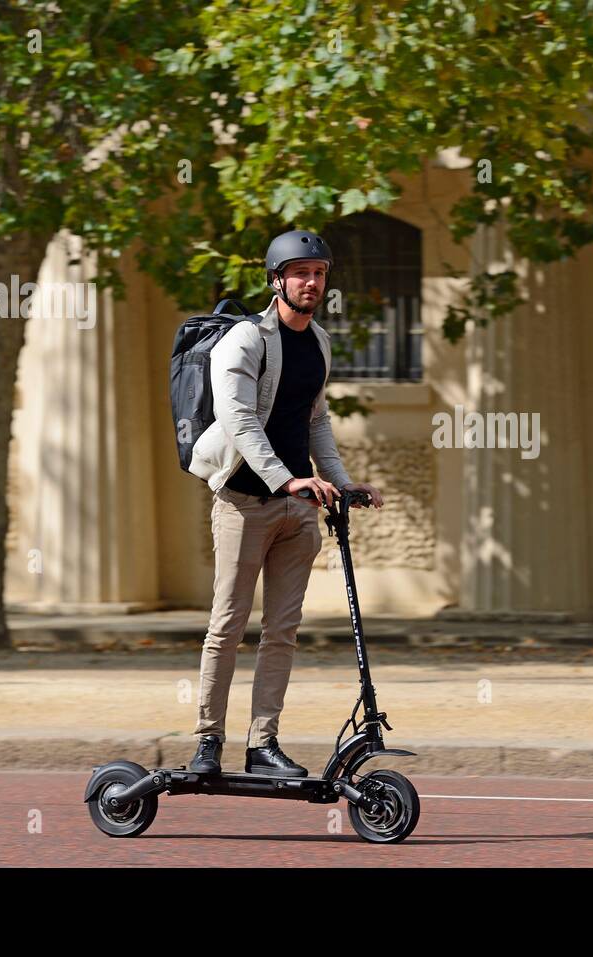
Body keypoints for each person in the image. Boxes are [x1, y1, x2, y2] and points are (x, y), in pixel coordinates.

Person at [185, 229, 384, 777]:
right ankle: (207, 742)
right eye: (300, 273)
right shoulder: (245, 341)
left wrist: (340, 483)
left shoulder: (318, 342)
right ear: (276, 281)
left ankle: (262, 744)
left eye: (319, 274)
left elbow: (316, 420)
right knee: (227, 624)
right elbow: (240, 420)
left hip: (299, 509)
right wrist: (285, 480)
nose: (311, 282)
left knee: (282, 629)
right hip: (245, 502)